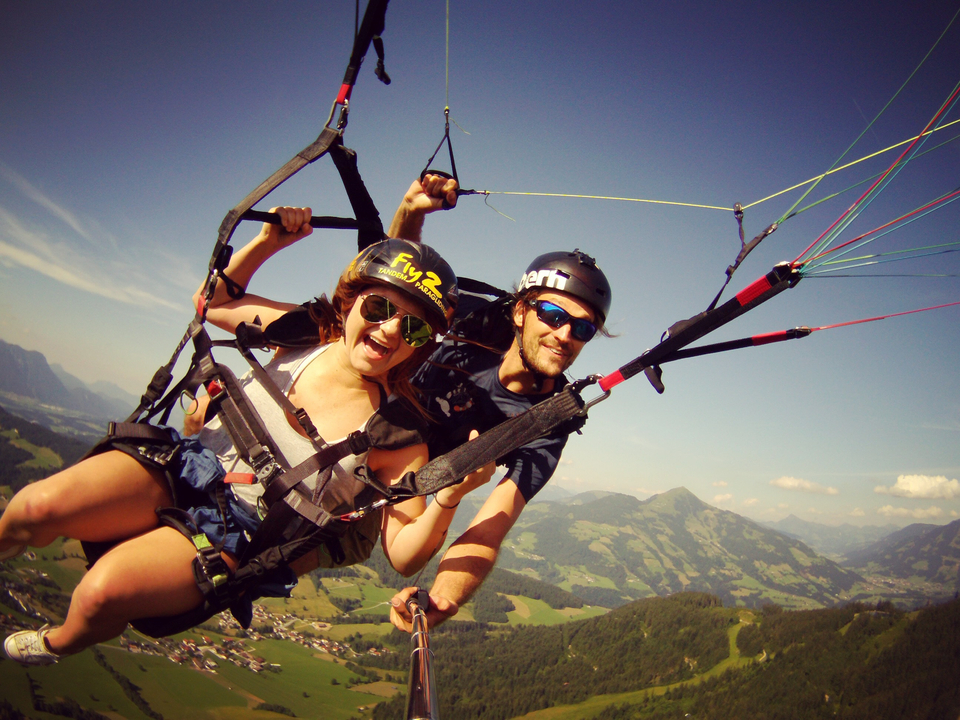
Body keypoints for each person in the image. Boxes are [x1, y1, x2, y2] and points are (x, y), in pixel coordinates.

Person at [0, 207, 493, 665]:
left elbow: (404, 555)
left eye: (413, 328)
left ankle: (58, 643)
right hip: (183, 466)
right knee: (33, 508)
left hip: (236, 527)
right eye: (380, 307)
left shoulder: (400, 436)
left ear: (423, 346)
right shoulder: (305, 332)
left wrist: (447, 499)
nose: (389, 332)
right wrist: (266, 242)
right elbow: (209, 303)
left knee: (100, 593)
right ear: (350, 301)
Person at [386, 176, 613, 631]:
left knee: (404, 561)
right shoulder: (470, 323)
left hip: (408, 485)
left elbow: (493, 524)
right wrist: (412, 212)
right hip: (372, 429)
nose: (564, 336)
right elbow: (398, 284)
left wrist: (445, 599)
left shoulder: (548, 423)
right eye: (552, 315)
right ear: (520, 312)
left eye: (582, 329)